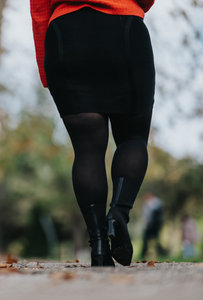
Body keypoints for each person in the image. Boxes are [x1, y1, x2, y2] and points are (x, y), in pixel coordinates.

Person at [30, 0, 156, 266]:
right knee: (133, 137)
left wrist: (46, 68)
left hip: (65, 33)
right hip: (123, 27)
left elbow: (39, 7)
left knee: (87, 149)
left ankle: (98, 245)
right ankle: (118, 214)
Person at [141, 193, 165, 258]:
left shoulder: (153, 204)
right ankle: (160, 252)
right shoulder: (157, 203)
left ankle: (160, 252)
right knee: (155, 240)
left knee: (149, 240)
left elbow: (147, 216)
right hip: (154, 225)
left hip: (152, 225)